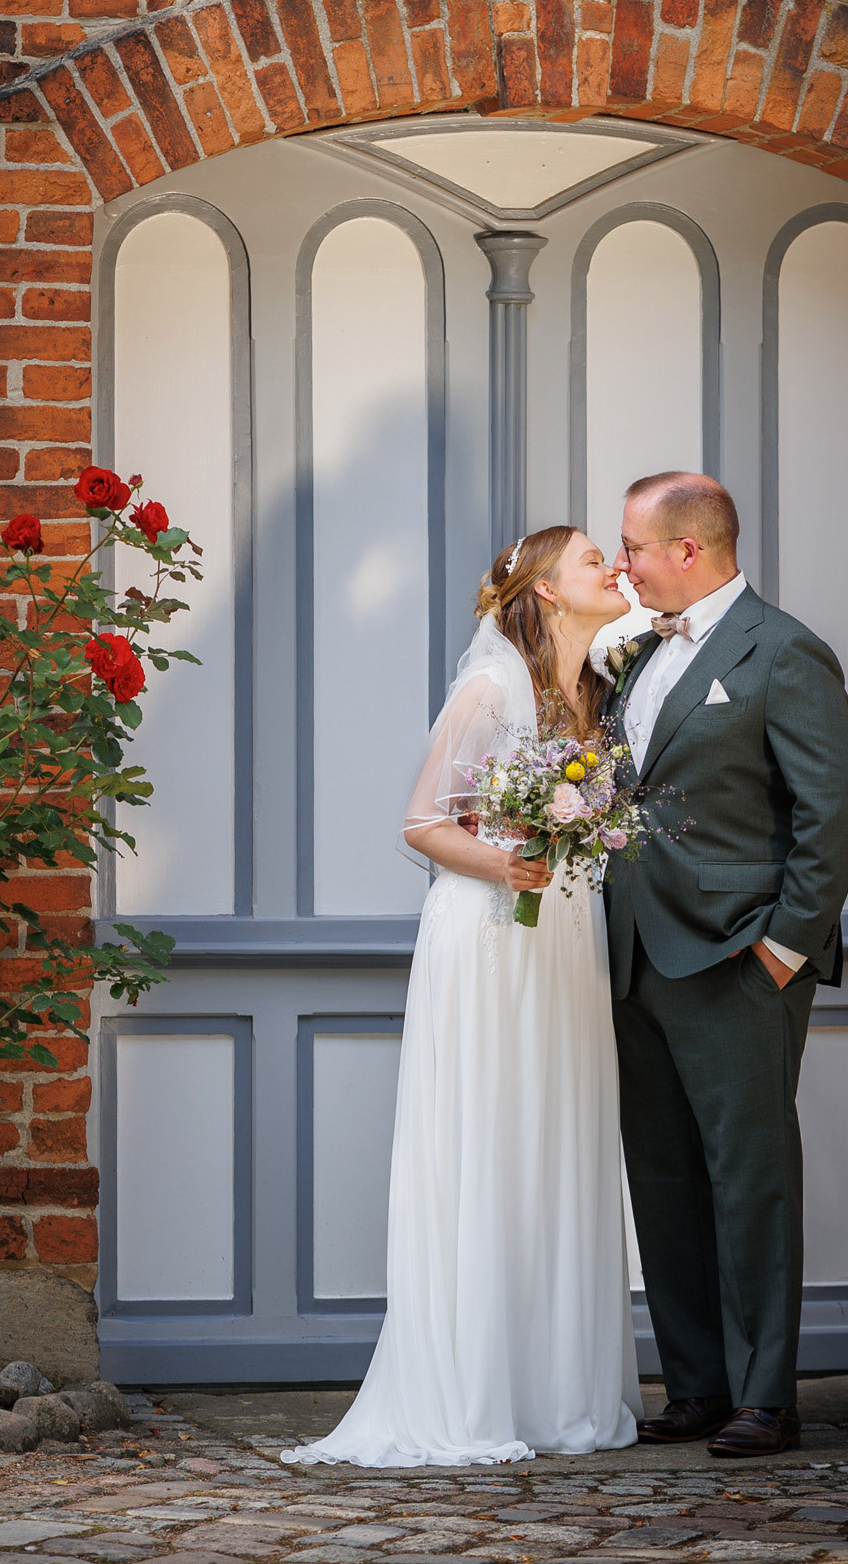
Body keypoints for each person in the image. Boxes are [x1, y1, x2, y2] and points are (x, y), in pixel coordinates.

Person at [281, 526, 644, 1467]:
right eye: (593, 559)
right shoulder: (490, 689)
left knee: (558, 1138)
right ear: (547, 591)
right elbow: (421, 823)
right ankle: (470, 1392)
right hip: (489, 933)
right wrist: (505, 863)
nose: (613, 568)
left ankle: (554, 1392)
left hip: (568, 936)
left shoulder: (601, 691)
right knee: (489, 1136)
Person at [606, 471, 848, 1458]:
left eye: (632, 547)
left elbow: (830, 807)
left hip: (736, 955)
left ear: (687, 549)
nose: (622, 565)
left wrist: (783, 945)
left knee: (748, 1176)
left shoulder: (782, 649)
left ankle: (766, 1395)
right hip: (633, 955)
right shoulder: (636, 651)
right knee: (662, 1175)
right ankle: (697, 1387)